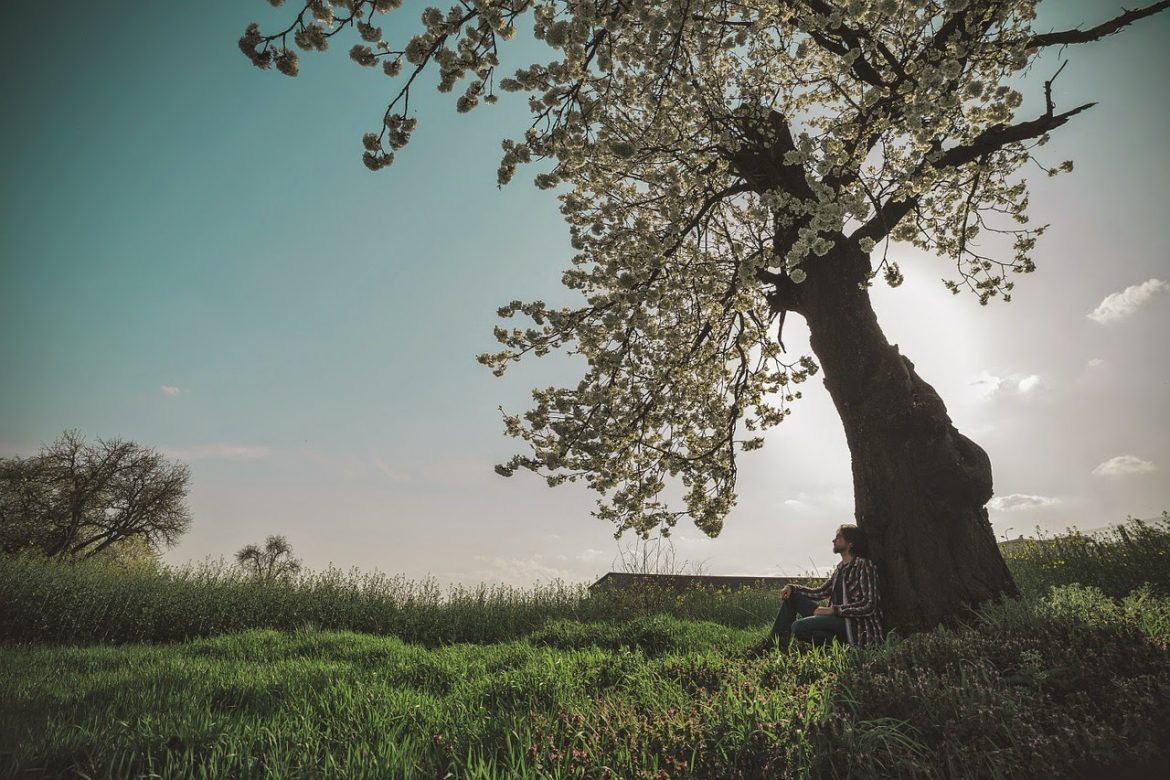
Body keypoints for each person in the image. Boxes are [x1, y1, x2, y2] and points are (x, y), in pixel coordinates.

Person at [762, 524, 883, 652]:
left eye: (839, 537)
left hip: (853, 625)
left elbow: (869, 605)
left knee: (798, 627)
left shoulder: (863, 565)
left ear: (850, 543)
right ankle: (773, 645)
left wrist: (833, 610)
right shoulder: (840, 569)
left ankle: (841, 649)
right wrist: (793, 587)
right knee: (793, 597)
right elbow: (821, 592)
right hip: (835, 618)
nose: (834, 540)